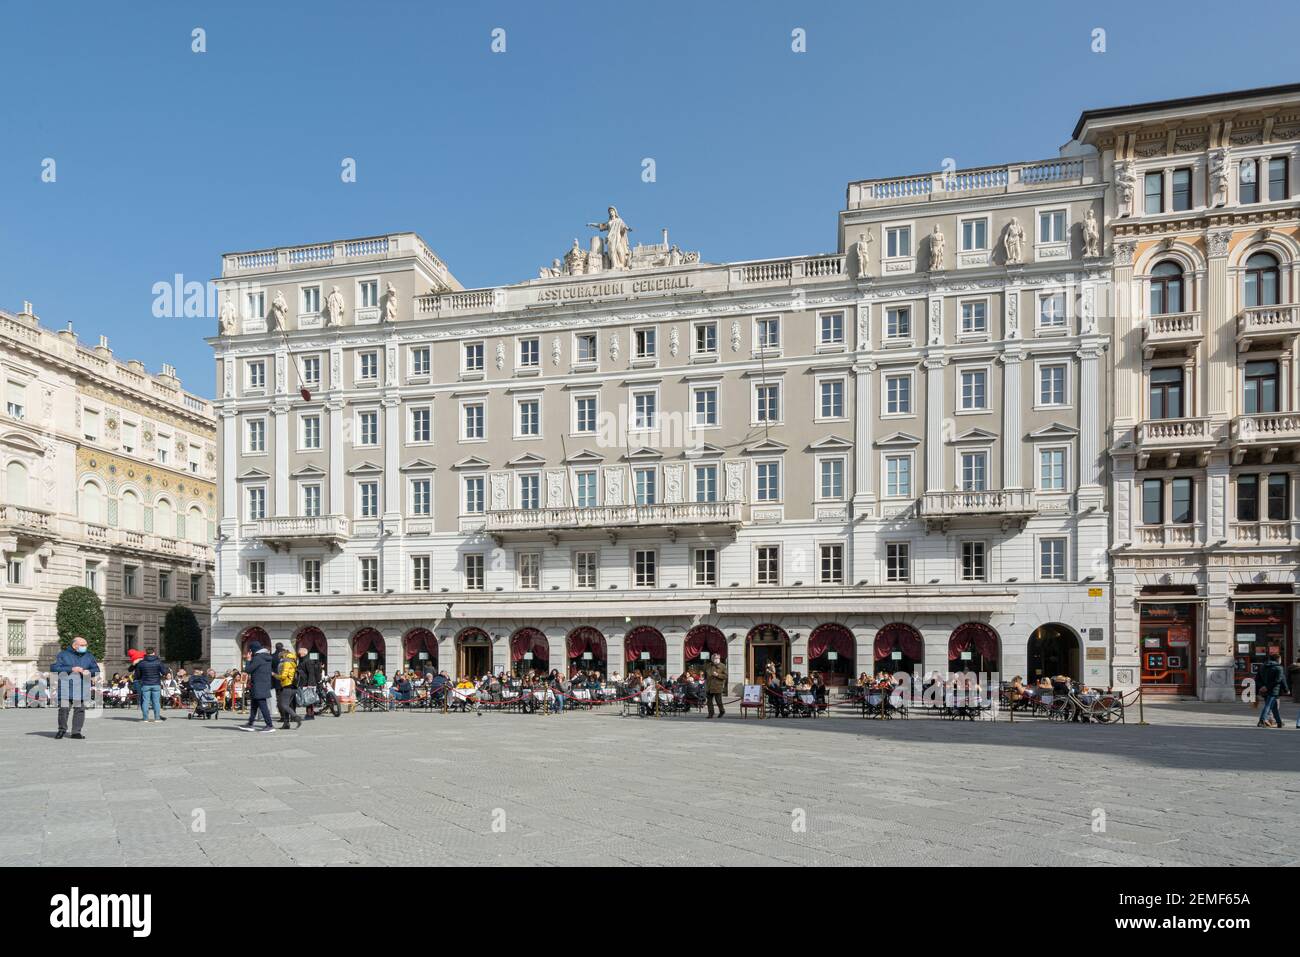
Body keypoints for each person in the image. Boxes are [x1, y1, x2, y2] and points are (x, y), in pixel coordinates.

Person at [51, 636, 99, 739]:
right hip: (66, 686)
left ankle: (76, 732)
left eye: (86, 645)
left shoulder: (89, 656)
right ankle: (62, 730)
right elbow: (55, 668)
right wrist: (71, 669)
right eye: (82, 645)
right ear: (74, 645)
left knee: (80, 710)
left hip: (82, 686)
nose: (85, 647)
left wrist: (89, 672)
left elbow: (96, 669)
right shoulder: (63, 655)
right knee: (64, 709)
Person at [239, 642, 276, 732]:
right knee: (254, 705)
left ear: (253, 650)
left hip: (258, 685)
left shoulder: (258, 658)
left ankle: (270, 725)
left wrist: (248, 660)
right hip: (263, 684)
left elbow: (248, 670)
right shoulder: (265, 657)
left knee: (263, 705)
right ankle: (250, 724)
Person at [131, 647, 170, 722]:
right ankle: (157, 718)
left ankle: (145, 718)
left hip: (145, 684)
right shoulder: (158, 662)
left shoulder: (141, 663)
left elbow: (138, 675)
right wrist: (162, 675)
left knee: (145, 701)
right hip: (156, 684)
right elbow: (164, 672)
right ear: (154, 653)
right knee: (156, 702)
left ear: (146, 653)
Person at [273, 644, 302, 729]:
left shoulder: (286, 663)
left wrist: (274, 675)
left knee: (283, 705)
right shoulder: (293, 662)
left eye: (280, 657)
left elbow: (283, 676)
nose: (280, 659)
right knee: (287, 705)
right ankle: (286, 724)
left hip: (287, 685)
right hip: (293, 686)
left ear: (283, 655)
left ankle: (296, 717)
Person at [1256, 654, 1289, 729]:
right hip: (1274, 690)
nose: (1281, 660)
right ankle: (1262, 720)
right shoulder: (1279, 668)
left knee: (1274, 707)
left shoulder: (1263, 666)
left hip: (1264, 690)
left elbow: (1257, 679)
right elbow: (1279, 680)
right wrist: (1286, 689)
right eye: (1280, 659)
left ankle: (1279, 722)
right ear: (1278, 659)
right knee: (1268, 705)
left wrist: (1262, 687)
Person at [295, 647, 321, 720]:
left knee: (309, 698)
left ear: (303, 653)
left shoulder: (308, 661)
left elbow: (311, 673)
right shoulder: (302, 660)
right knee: (307, 699)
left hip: (308, 683)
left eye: (299, 652)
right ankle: (309, 714)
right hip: (304, 682)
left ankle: (310, 715)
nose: (298, 653)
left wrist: (310, 684)